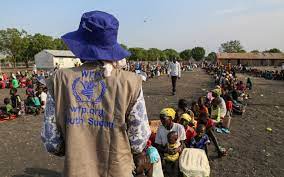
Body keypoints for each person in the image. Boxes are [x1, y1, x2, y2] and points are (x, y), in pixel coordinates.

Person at [41, 11, 151, 177]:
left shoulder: (59, 79)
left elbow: (52, 142)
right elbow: (138, 141)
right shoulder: (131, 82)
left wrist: (75, 146)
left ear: (81, 44)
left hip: (76, 170)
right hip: (117, 170)